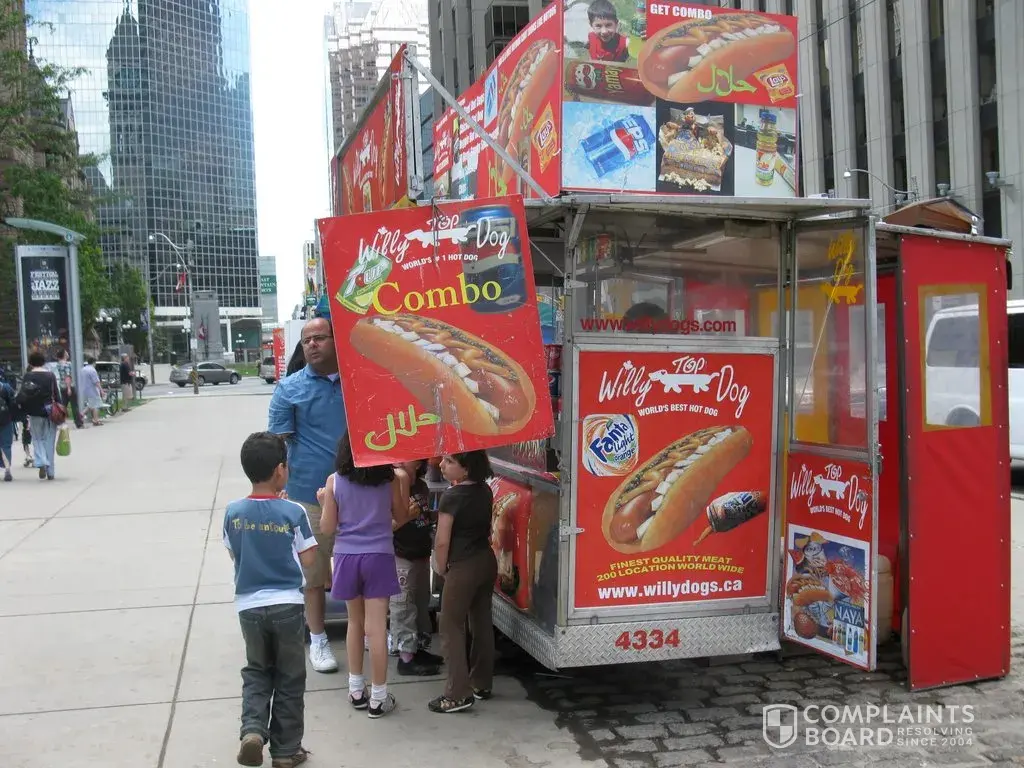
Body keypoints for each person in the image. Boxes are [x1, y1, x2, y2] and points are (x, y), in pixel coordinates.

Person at [224, 432, 316, 768]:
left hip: (249, 607)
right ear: (280, 470)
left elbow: (234, 553)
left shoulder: (233, 512)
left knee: (257, 671)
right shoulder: (293, 511)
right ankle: (285, 751)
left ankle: (252, 730)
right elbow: (309, 559)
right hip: (287, 605)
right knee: (290, 677)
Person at [268, 318, 346, 673]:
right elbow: (276, 445)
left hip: (359, 491)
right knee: (313, 576)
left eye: (319, 338)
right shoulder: (288, 389)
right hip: (309, 498)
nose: (312, 344)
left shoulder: (358, 382)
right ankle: (318, 639)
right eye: (306, 340)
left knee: (360, 568)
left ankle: (370, 631)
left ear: (335, 340)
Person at [319, 432, 407, 718]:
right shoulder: (390, 480)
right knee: (377, 627)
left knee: (354, 623)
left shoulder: (334, 481)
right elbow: (401, 515)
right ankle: (379, 697)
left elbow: (327, 528)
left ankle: (356, 689)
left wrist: (324, 501)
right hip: (379, 555)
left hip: (346, 557)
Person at [429, 451, 497, 714]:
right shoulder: (485, 491)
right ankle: (481, 682)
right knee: (481, 621)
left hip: (462, 566)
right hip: (485, 561)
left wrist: (440, 566)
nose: (442, 465)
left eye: (450, 462)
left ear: (466, 469)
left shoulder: (452, 497)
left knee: (450, 625)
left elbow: (442, 540)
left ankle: (457, 693)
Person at [391, 458, 444, 675]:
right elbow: (387, 525)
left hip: (421, 553)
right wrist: (407, 516)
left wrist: (435, 515)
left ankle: (419, 648)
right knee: (403, 605)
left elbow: (424, 515)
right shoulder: (392, 486)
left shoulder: (421, 486)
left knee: (421, 603)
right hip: (401, 554)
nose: (401, 461)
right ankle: (405, 656)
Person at [17, 351, 61, 480]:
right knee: (49, 440)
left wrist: (23, 410)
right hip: (50, 411)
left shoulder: (28, 376)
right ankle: (50, 472)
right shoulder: (50, 375)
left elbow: (23, 395)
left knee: (37, 439)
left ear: (30, 362)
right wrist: (61, 411)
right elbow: (56, 394)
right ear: (43, 362)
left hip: (34, 411)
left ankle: (41, 461)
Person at [0, 371, 16, 482]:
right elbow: (13, 401)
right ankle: (7, 469)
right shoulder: (5, 387)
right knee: (6, 444)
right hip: (5, 418)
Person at [80, 357, 105, 427]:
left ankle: (82, 414)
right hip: (92, 390)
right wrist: (101, 390)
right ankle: (96, 420)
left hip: (85, 390)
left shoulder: (83, 369)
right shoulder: (92, 370)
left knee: (91, 404)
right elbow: (96, 382)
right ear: (94, 362)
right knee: (96, 405)